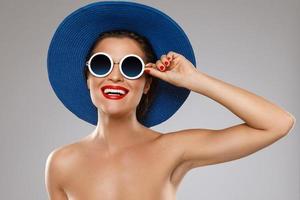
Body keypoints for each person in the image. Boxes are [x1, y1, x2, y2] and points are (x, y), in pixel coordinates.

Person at [45, 1, 296, 200]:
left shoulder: (172, 149)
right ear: (88, 78)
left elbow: (277, 123)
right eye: (102, 64)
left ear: (147, 83)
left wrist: (195, 80)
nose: (115, 76)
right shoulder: (61, 162)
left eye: (131, 67)